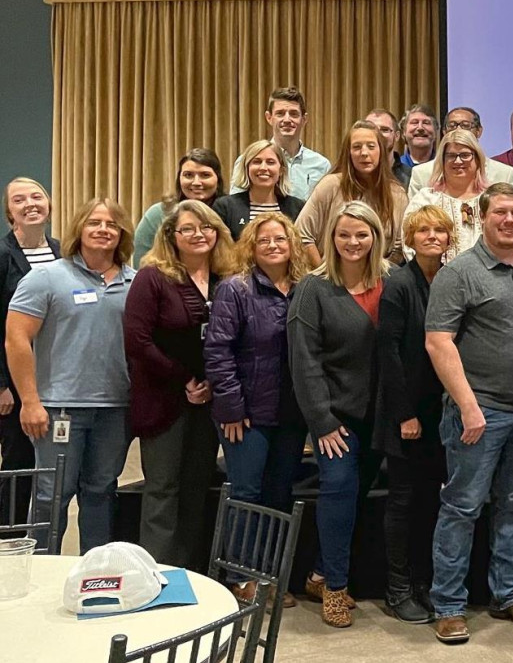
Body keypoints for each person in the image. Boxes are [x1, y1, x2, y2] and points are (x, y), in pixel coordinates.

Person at [425, 183, 513, 644]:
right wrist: (468, 407)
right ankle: (448, 604)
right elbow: (438, 342)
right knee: (461, 508)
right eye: (500, 212)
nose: (509, 220)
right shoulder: (459, 273)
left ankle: (510, 595)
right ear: (483, 217)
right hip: (477, 414)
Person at [5, 197, 135, 552]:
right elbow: (16, 339)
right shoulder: (46, 277)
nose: (103, 230)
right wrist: (29, 401)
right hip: (58, 410)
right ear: (79, 229)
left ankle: (93, 575)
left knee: (101, 492)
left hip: (115, 409)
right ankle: (43, 571)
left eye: (112, 224)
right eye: (95, 222)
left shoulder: (135, 282)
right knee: (52, 494)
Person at [288, 200, 388, 627]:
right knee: (339, 491)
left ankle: (319, 572)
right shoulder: (313, 288)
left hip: (378, 416)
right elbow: (304, 360)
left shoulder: (391, 281)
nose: (352, 242)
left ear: (376, 238)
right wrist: (322, 421)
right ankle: (335, 588)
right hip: (334, 419)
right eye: (344, 234)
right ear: (331, 238)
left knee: (359, 496)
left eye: (361, 234)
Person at [204, 212, 309, 605]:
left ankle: (269, 577)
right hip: (245, 414)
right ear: (251, 245)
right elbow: (217, 351)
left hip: (292, 413)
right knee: (247, 493)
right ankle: (240, 577)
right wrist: (230, 407)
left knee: (279, 493)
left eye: (280, 239)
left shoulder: (305, 287)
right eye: (264, 240)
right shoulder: (236, 289)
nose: (272, 245)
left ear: (292, 244)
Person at [125, 200, 232, 568]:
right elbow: (137, 341)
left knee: (195, 489)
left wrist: (215, 384)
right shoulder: (153, 276)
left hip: (210, 400)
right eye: (188, 228)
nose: (199, 235)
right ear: (172, 236)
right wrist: (185, 379)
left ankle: (187, 572)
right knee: (163, 489)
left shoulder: (226, 280)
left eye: (206, 227)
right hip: (163, 398)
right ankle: (157, 574)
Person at [374, 207, 454, 624]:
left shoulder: (450, 279)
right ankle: (398, 588)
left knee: (431, 502)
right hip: (407, 414)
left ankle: (423, 583)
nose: (431, 235)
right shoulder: (398, 284)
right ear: (409, 236)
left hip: (442, 413)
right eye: (422, 229)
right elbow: (387, 353)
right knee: (403, 502)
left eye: (439, 229)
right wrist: (404, 414)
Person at [0, 179, 60, 527]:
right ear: (11, 213)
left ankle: (38, 540)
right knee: (17, 467)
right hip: (12, 384)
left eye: (37, 196)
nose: (30, 204)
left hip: (53, 376)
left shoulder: (62, 251)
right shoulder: (4, 256)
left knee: (48, 468)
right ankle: (7, 542)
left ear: (49, 205)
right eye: (19, 200)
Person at [296, 121, 410, 267]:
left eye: (371, 146)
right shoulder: (330, 185)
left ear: (381, 151)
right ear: (348, 153)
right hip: (329, 278)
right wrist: (322, 277)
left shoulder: (397, 193)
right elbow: (301, 234)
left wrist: (377, 276)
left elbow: (400, 246)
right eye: (356, 147)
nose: (364, 153)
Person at [402, 129, 489, 262]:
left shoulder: (491, 200)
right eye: (451, 156)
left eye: (465, 155)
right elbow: (408, 242)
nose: (458, 161)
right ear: (442, 160)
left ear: (477, 159)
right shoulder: (426, 199)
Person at [229, 87, 331, 200]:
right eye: (280, 114)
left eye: (294, 114)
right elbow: (236, 205)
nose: (287, 119)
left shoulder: (322, 165)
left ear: (304, 119)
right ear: (269, 118)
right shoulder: (248, 160)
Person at [133, 148, 225, 266]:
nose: (196, 182)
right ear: (179, 179)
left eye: (205, 175)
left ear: (218, 179)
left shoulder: (230, 211)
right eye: (188, 175)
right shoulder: (158, 214)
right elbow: (141, 263)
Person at [215, 140, 307, 241]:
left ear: (281, 170)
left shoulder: (297, 207)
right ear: (247, 168)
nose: (263, 168)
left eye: (270, 162)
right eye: (257, 162)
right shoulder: (225, 207)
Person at [408, 107, 513, 191]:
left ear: (479, 131)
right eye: (452, 125)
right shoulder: (422, 174)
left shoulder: (504, 173)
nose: (458, 130)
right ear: (444, 132)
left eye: (465, 125)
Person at [365, 108, 402, 179]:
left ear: (396, 136)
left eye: (385, 130)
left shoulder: (411, 176)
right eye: (371, 129)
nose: (378, 134)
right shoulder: (350, 175)